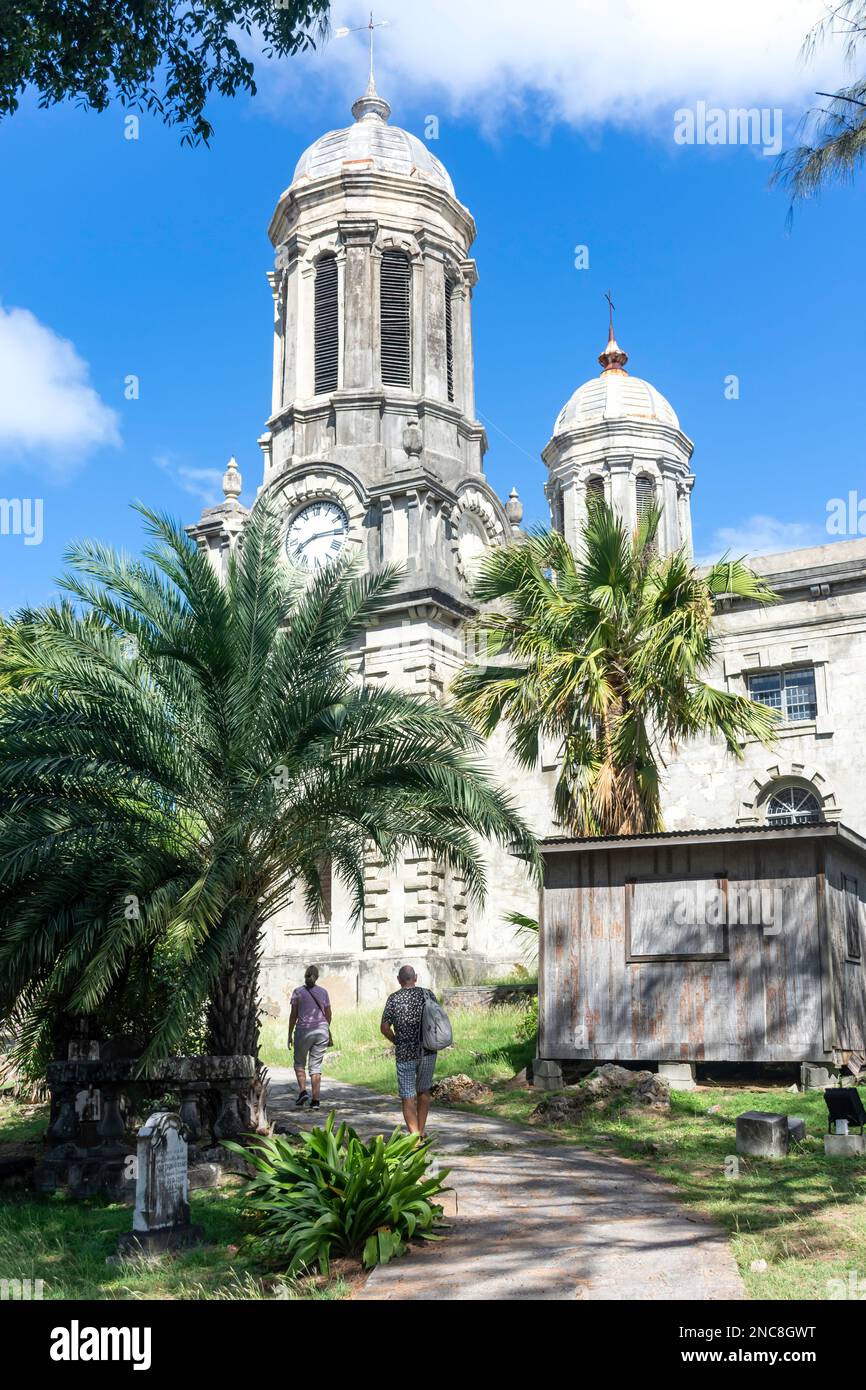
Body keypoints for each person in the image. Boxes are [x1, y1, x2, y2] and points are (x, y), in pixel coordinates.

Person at [380, 964, 437, 1138]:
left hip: (405, 1053)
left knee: (407, 1095)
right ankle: (421, 1131)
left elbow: (384, 1027)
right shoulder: (427, 994)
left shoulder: (394, 999)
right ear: (415, 977)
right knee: (424, 1091)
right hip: (427, 1050)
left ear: (399, 980)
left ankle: (414, 1136)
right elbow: (437, 1018)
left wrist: (396, 1040)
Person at [288, 965, 332, 1109]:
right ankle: (315, 1101)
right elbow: (328, 1013)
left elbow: (293, 1015)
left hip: (303, 1031)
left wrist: (289, 1034)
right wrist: (326, 1027)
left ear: (305, 975)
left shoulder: (298, 992)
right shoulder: (324, 992)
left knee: (299, 1063)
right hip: (321, 1032)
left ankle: (302, 1092)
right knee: (316, 1067)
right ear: (317, 977)